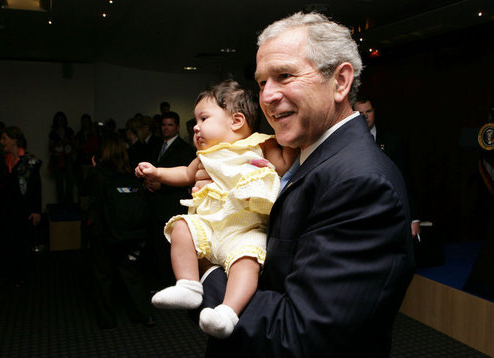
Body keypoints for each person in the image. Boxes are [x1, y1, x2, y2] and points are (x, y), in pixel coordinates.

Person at [195, 12, 415, 357]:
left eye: (284, 76)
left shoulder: (362, 183)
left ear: (340, 82)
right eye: (262, 82)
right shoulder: (300, 159)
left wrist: (206, 272)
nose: (266, 96)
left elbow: (300, 335)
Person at [136, 80, 298, 338]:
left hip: (244, 229)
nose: (196, 127)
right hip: (209, 226)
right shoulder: (205, 155)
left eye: (203, 118)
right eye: (195, 121)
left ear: (236, 121)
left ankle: (227, 312)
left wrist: (290, 141)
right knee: (181, 227)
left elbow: (284, 164)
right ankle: (188, 285)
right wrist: (157, 172)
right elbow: (185, 174)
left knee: (246, 263)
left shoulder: (260, 145)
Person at [82, 133, 154, 329]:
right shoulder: (131, 172)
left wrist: (95, 168)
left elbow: (85, 193)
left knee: (103, 276)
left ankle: (107, 320)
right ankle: (144, 315)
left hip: (103, 232)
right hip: (130, 233)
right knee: (131, 273)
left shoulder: (98, 173)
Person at [353, 96, 421, 238]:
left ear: (374, 111)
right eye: (360, 114)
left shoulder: (393, 141)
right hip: (359, 216)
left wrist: (414, 218)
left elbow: (405, 179)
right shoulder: (346, 143)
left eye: (369, 112)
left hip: (391, 214)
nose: (365, 117)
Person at [145, 111, 196, 288]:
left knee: (170, 247)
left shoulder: (186, 149)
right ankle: (159, 282)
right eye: (163, 125)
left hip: (172, 204)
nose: (165, 128)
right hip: (155, 204)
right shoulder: (156, 145)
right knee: (157, 246)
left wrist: (162, 185)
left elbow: (187, 177)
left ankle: (172, 284)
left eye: (170, 125)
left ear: (177, 127)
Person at [0, 126, 42, 286]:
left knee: (22, 242)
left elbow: (36, 187)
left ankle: (23, 276)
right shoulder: (3, 160)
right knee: (8, 241)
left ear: (14, 139)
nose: (2, 142)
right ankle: (11, 274)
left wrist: (37, 210)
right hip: (6, 209)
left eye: (4, 138)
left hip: (23, 210)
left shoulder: (30, 162)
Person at [48, 111, 75, 204]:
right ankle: (61, 203)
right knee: (59, 181)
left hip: (67, 156)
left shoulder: (69, 131)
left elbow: (74, 143)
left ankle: (69, 202)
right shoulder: (53, 132)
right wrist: (58, 143)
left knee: (70, 180)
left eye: (62, 120)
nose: (61, 122)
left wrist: (68, 142)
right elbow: (50, 146)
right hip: (57, 157)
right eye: (59, 120)